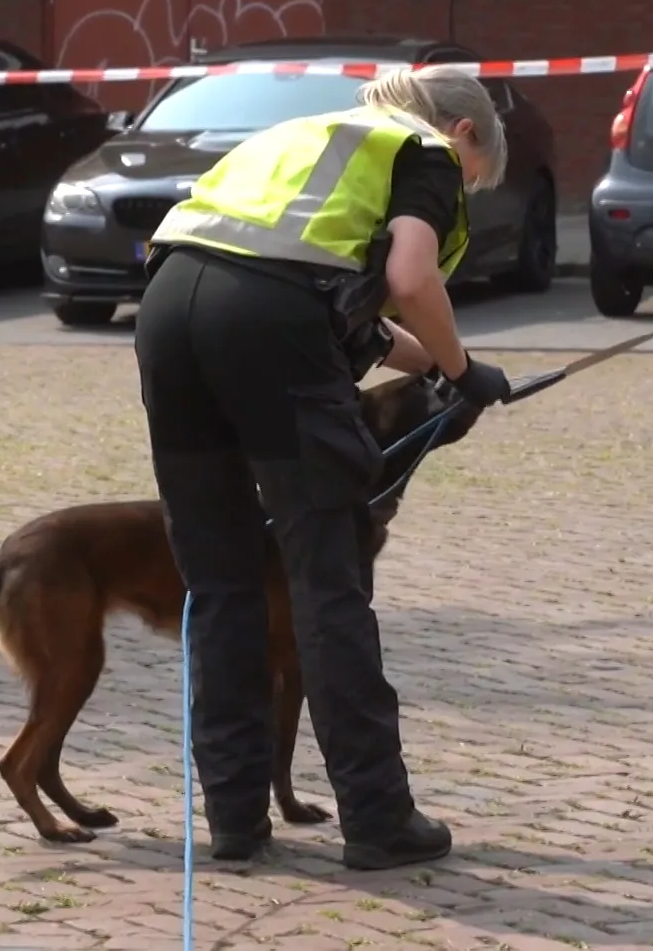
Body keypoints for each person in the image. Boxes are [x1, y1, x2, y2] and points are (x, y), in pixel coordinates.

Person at [132, 64, 513, 870]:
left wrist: (443, 365)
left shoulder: (300, 139)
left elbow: (352, 317)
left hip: (170, 311)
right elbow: (410, 279)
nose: (461, 196)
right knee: (326, 579)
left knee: (222, 580)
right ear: (466, 133)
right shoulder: (424, 152)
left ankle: (234, 820)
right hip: (266, 323)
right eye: (473, 183)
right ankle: (376, 820)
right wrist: (464, 368)